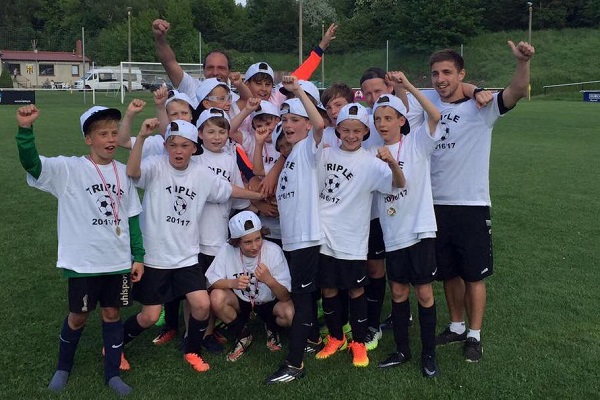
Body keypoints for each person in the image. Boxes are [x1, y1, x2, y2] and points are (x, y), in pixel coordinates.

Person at [15, 105, 145, 396]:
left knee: (112, 314)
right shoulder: (69, 169)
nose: (110, 139)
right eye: (103, 134)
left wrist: (138, 256)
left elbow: (133, 216)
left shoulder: (124, 172)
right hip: (83, 263)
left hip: (117, 261)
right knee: (78, 317)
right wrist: (25, 130)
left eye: (114, 133)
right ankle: (63, 368)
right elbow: (32, 164)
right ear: (88, 139)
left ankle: (112, 374)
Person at [122, 119, 263, 373]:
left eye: (185, 146)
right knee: (150, 316)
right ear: (166, 146)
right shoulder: (155, 165)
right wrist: (141, 138)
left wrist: (259, 196)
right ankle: (115, 345)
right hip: (155, 256)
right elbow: (133, 173)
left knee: (201, 304)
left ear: (194, 148)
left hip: (186, 255)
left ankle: (192, 350)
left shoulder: (201, 174)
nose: (178, 151)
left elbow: (229, 189)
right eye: (173, 145)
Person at [429, 41, 534, 362]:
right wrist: (473, 88)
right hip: (434, 206)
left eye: (447, 72)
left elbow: (517, 91)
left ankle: (474, 335)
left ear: (461, 74)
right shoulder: (428, 103)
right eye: (435, 73)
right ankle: (456, 326)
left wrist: (522, 63)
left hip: (471, 205)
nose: (440, 79)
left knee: (473, 275)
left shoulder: (481, 108)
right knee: (448, 273)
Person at [314, 102, 406, 368]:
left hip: (352, 238)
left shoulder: (371, 162)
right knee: (328, 288)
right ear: (338, 129)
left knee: (356, 290)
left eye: (357, 130)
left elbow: (399, 184)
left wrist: (392, 163)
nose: (351, 135)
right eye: (346, 130)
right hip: (323, 235)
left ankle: (358, 343)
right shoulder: (324, 154)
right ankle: (336, 337)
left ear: (366, 131)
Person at [370, 71, 443, 377]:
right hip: (393, 233)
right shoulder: (372, 154)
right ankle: (402, 350)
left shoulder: (417, 143)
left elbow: (435, 115)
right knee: (398, 293)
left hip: (419, 229)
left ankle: (429, 354)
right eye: (378, 119)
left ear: (402, 120)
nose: (383, 124)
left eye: (389, 118)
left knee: (424, 294)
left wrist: (407, 86)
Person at [263, 76, 325, 384]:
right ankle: (312, 339)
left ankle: (294, 363)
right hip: (293, 240)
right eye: (285, 119)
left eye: (295, 120)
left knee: (301, 299)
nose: (288, 125)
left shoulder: (308, 149)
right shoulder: (291, 156)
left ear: (307, 125)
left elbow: (321, 125)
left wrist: (298, 91)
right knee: (305, 298)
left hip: (306, 239)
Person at [206, 211, 293, 362]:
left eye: (258, 239)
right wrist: (232, 283)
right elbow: (211, 281)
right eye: (247, 242)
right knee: (216, 297)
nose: (255, 246)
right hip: (242, 302)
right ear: (237, 242)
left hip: (269, 303)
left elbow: (285, 297)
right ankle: (243, 334)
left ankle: (272, 326)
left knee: (290, 314)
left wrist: (269, 280)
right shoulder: (227, 249)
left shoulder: (273, 250)